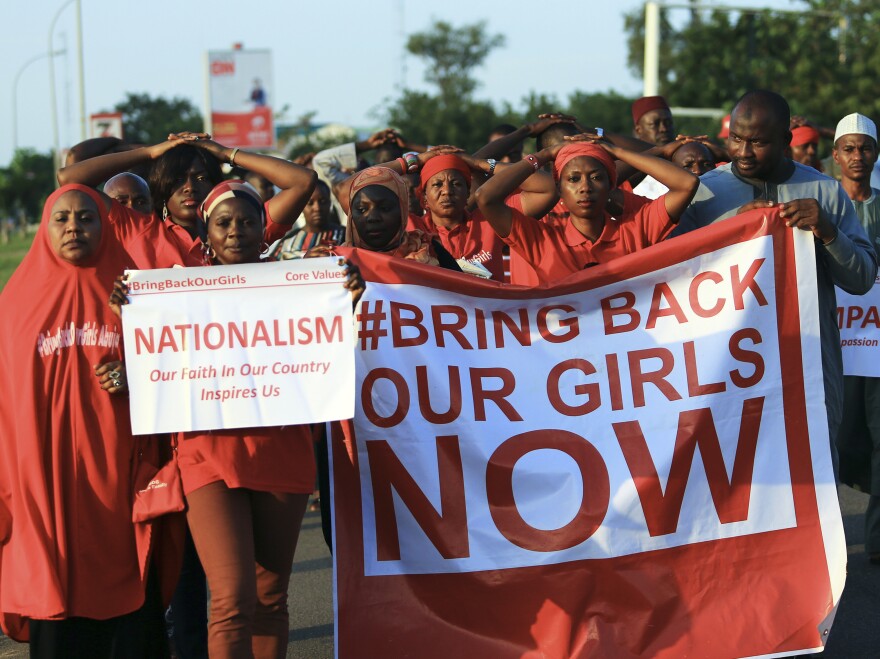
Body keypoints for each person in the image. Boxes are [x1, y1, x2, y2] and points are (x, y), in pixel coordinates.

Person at [112, 179, 362, 658]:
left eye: (248, 221)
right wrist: (125, 306)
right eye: (224, 222)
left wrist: (346, 293)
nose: (236, 231)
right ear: (206, 231)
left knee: (270, 599)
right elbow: (144, 356)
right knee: (230, 599)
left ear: (262, 230)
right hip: (208, 455)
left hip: (281, 453)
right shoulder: (172, 289)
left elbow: (338, 340)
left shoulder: (301, 285)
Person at [0, 184, 186, 658]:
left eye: (86, 217)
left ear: (104, 226)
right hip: (42, 480)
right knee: (55, 595)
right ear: (45, 228)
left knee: (127, 590)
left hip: (119, 473)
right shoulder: (15, 303)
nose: (73, 227)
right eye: (61, 219)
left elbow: (178, 366)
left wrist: (136, 373)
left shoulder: (135, 293)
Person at [674, 90, 878, 471]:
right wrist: (732, 230)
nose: (744, 151)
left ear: (786, 141)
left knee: (814, 468)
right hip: (730, 365)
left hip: (809, 361)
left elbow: (862, 278)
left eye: (758, 142)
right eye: (737, 138)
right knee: (737, 471)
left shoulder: (824, 192)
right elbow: (674, 275)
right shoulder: (706, 193)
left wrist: (828, 231)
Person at [475, 133, 699, 284]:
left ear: (611, 186)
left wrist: (615, 152)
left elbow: (687, 183)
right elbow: (485, 197)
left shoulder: (636, 229)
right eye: (573, 179)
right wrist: (543, 155)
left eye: (596, 177)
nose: (585, 187)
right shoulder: (541, 241)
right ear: (559, 189)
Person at [830, 112, 880, 563]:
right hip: (836, 345)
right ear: (836, 155)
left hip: (877, 346)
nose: (857, 156)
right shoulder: (822, 204)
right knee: (839, 440)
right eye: (849, 148)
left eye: (865, 148)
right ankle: (827, 539)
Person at [270, 180, 345, 260]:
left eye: (323, 201)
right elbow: (275, 269)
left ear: (330, 203)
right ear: (301, 206)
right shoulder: (288, 241)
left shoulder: (345, 235)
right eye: (310, 203)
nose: (317, 208)